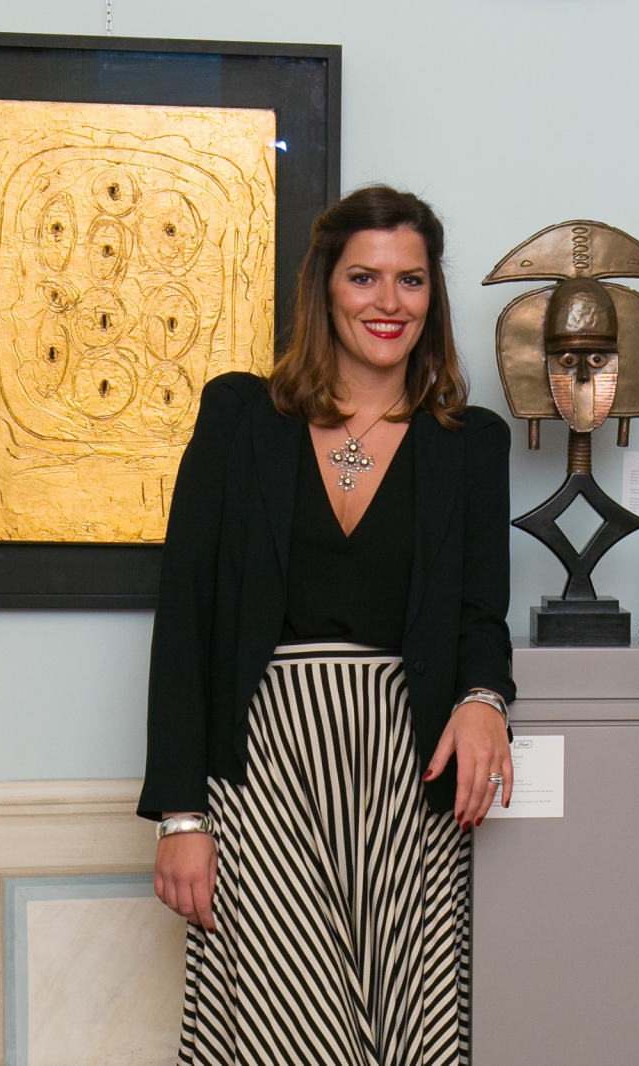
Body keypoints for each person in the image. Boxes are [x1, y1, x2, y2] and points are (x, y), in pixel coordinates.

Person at [138, 185, 515, 1066]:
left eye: (411, 280)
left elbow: (479, 614)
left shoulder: (469, 441)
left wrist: (485, 699)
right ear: (324, 286)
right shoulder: (240, 417)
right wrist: (180, 817)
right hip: (263, 768)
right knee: (284, 1029)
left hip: (408, 774)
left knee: (408, 1029)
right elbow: (186, 618)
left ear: (433, 295)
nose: (390, 302)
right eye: (364, 277)